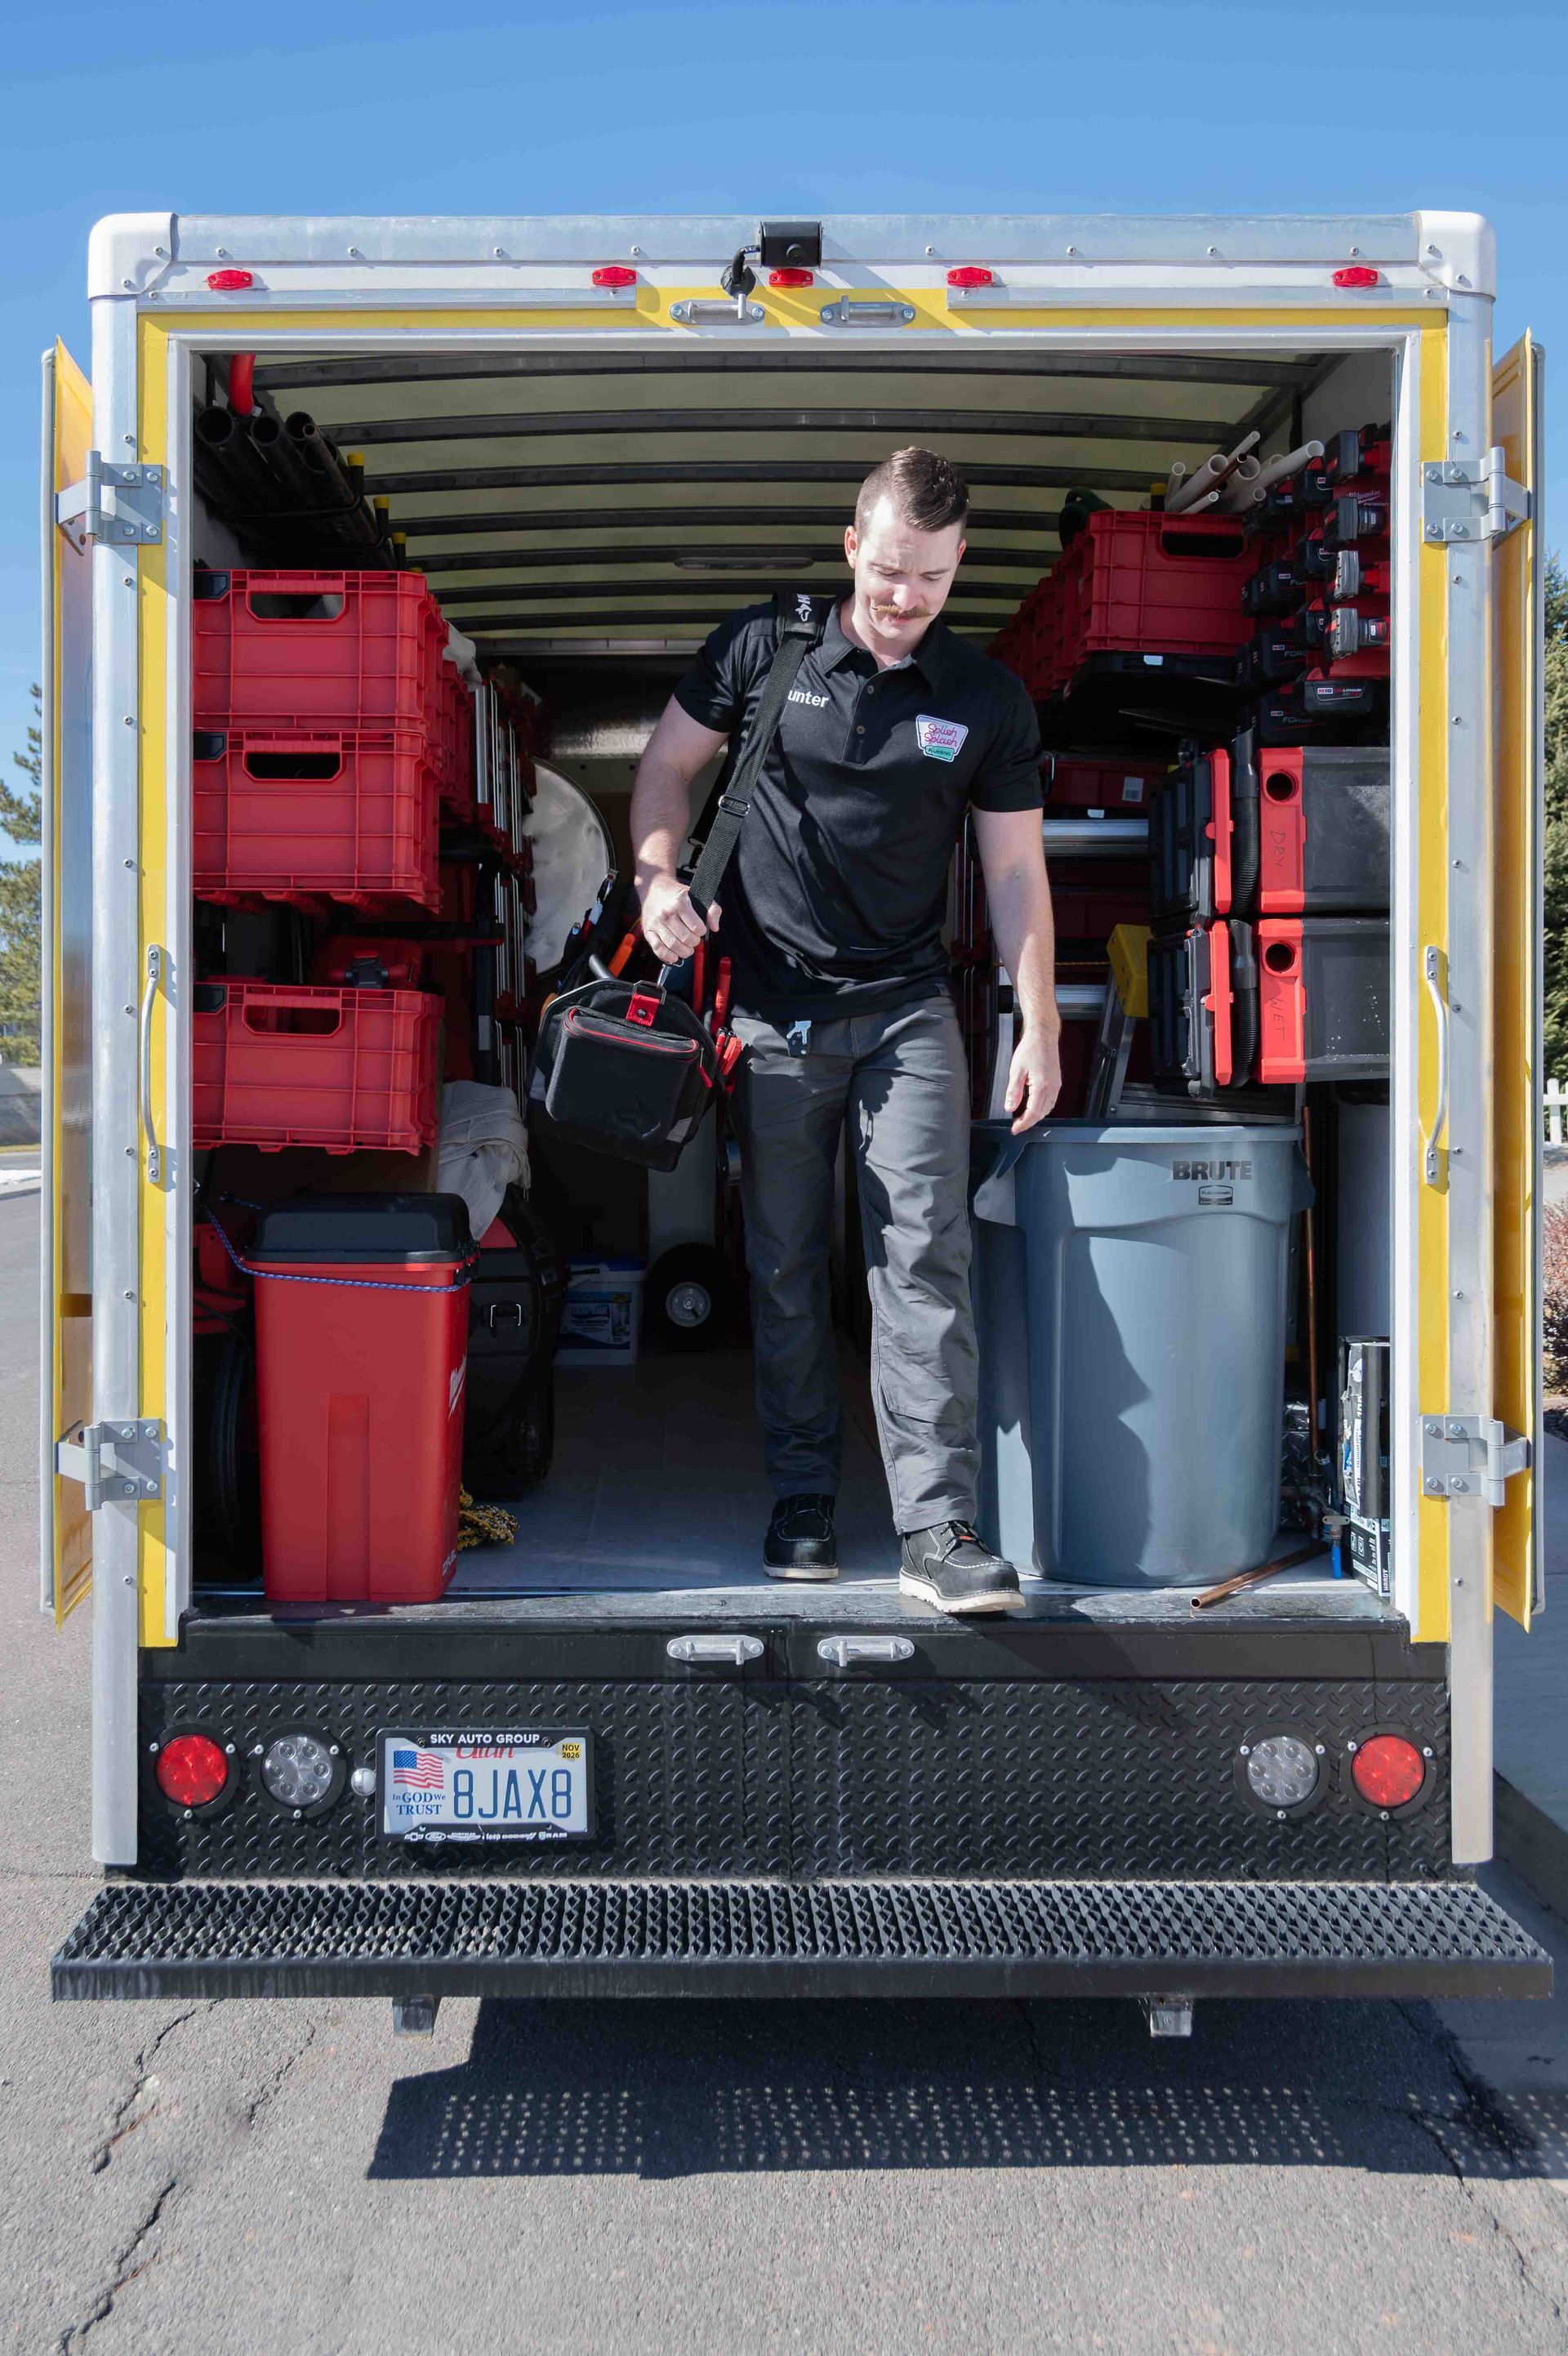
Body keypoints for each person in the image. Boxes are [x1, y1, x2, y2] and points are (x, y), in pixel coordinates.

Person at [630, 448, 1060, 1615]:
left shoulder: (984, 701)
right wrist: (657, 878)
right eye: (884, 574)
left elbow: (1015, 870)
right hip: (772, 1015)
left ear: (957, 561)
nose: (903, 598)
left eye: (926, 577)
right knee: (782, 1261)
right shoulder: (763, 651)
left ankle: (937, 1528)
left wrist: (1039, 1025)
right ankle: (805, 1495)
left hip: (908, 1011)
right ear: (849, 550)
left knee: (924, 1258)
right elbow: (667, 768)